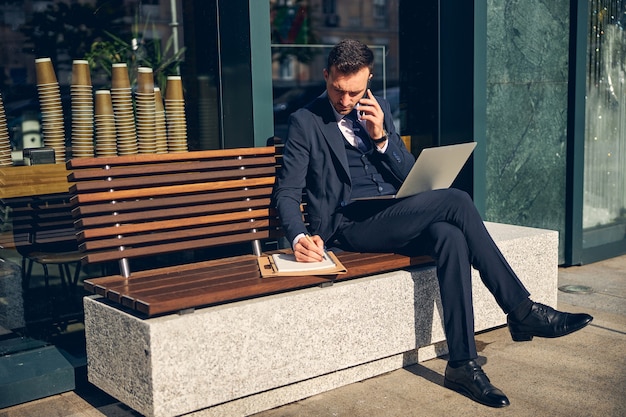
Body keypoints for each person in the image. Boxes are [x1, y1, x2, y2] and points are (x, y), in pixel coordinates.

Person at [272, 38, 592, 408]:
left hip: (392, 213)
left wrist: (381, 139)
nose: (345, 101)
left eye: (354, 91)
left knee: (450, 236)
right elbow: (286, 191)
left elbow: (410, 176)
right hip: (349, 226)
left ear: (369, 79)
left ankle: (463, 364)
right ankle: (522, 310)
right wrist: (297, 236)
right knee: (456, 199)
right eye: (337, 90)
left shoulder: (378, 109)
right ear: (326, 75)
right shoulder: (305, 121)